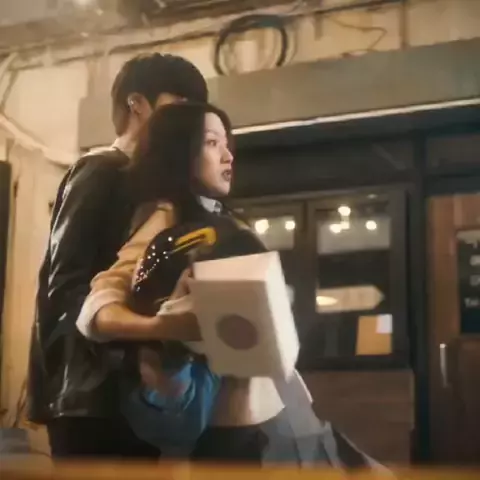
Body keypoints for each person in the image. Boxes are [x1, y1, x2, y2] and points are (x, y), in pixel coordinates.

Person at [74, 102, 390, 472]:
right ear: (179, 151)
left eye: (227, 144)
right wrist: (163, 327)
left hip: (274, 406)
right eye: (212, 143)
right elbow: (97, 308)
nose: (228, 156)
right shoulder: (165, 222)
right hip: (243, 421)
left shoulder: (212, 219)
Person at [26, 53, 208, 459]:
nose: (188, 122)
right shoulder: (101, 169)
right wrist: (126, 336)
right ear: (136, 104)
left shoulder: (153, 182)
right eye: (179, 106)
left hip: (132, 389)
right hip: (91, 395)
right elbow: (66, 284)